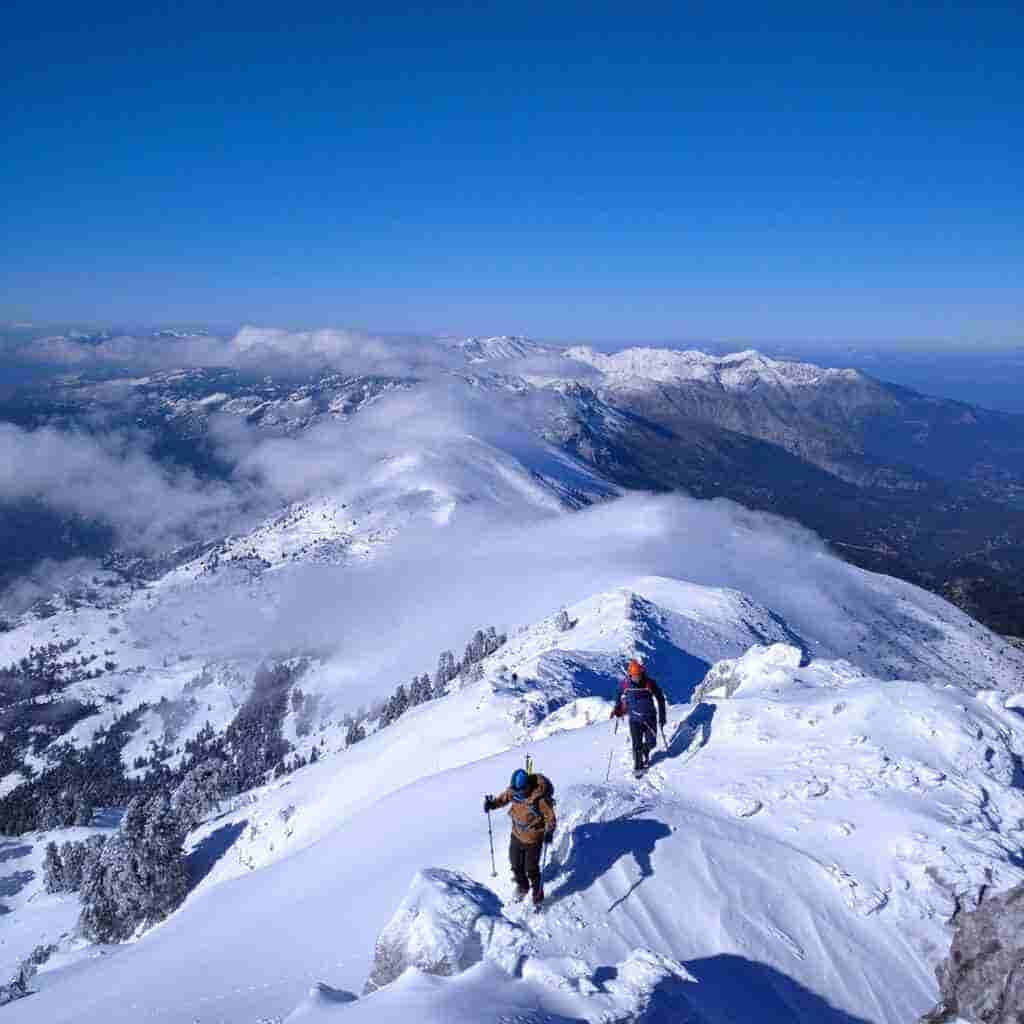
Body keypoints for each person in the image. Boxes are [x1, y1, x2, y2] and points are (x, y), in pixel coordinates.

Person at [484, 768, 556, 906]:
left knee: (531, 868)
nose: (517, 794)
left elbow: (550, 817)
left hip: (533, 839)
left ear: (527, 787)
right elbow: (503, 798)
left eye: (520, 791)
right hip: (516, 835)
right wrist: (492, 804)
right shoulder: (514, 792)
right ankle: (523, 886)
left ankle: (537, 893)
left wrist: (549, 832)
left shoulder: (538, 799)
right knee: (516, 865)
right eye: (515, 791)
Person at [610, 659, 667, 772]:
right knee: (637, 745)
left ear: (641, 672)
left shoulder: (649, 683)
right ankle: (638, 767)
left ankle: (644, 751)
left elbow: (660, 698)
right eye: (634, 675)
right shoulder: (625, 684)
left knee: (652, 743)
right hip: (634, 719)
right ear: (630, 674)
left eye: (638, 675)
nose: (636, 678)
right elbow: (618, 695)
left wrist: (662, 716)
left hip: (650, 717)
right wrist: (617, 708)